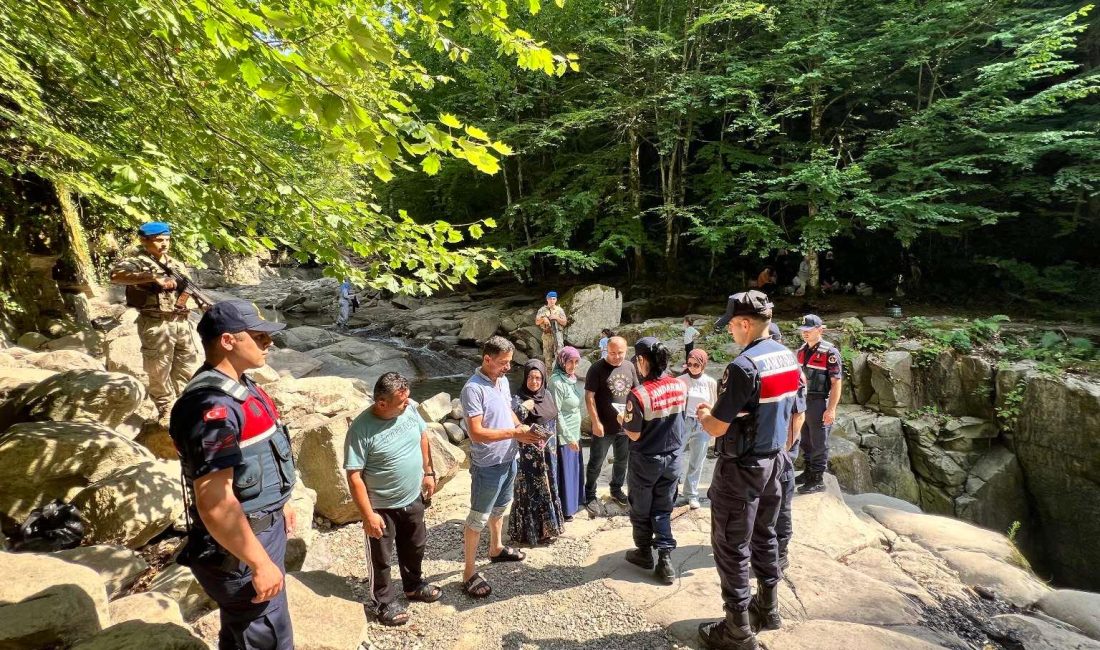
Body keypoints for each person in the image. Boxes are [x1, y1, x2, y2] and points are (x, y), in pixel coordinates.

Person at [168, 300, 296, 650]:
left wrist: (280, 502)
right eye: (259, 337)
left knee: (242, 632)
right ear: (227, 341)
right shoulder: (211, 407)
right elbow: (215, 502)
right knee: (268, 635)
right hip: (241, 547)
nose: (269, 344)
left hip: (258, 529)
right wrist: (259, 563)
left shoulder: (240, 385)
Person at [695, 291, 802, 650]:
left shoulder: (744, 367)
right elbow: (794, 413)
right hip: (775, 463)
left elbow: (716, 427)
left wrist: (703, 414)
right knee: (766, 535)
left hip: (741, 469)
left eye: (731, 327)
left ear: (745, 323)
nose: (729, 333)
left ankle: (737, 630)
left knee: (730, 545)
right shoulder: (788, 357)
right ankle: (768, 607)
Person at [344, 372, 441, 627]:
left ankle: (413, 585)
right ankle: (383, 602)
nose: (408, 404)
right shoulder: (361, 429)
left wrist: (428, 472)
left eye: (407, 398)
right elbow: (354, 476)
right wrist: (368, 515)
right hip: (381, 506)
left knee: (416, 545)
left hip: (412, 496)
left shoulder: (408, 411)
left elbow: (423, 436)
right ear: (381, 403)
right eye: (402, 401)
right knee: (382, 559)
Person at [459, 335, 543, 598]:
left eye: (509, 362)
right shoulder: (473, 389)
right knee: (477, 518)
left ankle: (496, 548)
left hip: (509, 457)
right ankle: (468, 573)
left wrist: (522, 428)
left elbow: (508, 412)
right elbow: (476, 433)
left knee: (499, 508)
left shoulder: (503, 381)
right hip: (488, 464)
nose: (508, 367)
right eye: (503, 362)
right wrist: (514, 434)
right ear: (487, 359)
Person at [110, 221, 202, 423]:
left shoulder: (175, 264)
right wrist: (151, 277)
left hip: (181, 322)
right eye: (159, 240)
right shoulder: (137, 262)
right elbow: (116, 275)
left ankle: (188, 405)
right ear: (144, 241)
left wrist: (199, 305)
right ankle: (166, 409)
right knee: (158, 370)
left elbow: (188, 290)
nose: (164, 244)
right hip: (155, 323)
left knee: (188, 367)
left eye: (167, 239)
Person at [622, 337, 686, 585]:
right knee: (663, 508)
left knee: (641, 507)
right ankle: (666, 561)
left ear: (642, 361)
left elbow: (634, 433)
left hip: (646, 460)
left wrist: (623, 421)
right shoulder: (680, 385)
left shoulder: (638, 394)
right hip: (673, 458)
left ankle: (644, 553)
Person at [510, 359, 566, 544]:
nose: (534, 382)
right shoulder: (518, 399)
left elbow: (553, 419)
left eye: (538, 378)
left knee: (549, 486)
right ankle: (529, 532)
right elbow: (513, 421)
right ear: (525, 377)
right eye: (531, 378)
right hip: (529, 456)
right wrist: (523, 408)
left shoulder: (547, 394)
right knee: (532, 491)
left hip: (549, 453)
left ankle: (550, 529)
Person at [583, 336, 638, 514]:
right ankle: (590, 493)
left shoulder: (629, 366)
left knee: (622, 461)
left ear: (626, 350)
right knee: (596, 462)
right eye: (612, 353)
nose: (616, 357)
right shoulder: (596, 368)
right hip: (603, 427)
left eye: (620, 353)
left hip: (624, 426)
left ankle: (616, 489)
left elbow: (636, 392)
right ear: (606, 350)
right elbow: (589, 397)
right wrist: (596, 422)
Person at [767, 325, 806, 572]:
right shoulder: (767, 366)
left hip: (782, 451)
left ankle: (781, 551)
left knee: (782, 504)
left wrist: (784, 448)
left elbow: (798, 414)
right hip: (768, 449)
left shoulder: (792, 370)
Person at [794, 315, 843, 495]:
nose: (805, 333)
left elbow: (836, 382)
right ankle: (808, 472)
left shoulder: (830, 352)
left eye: (809, 330)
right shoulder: (800, 351)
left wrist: (831, 409)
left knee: (819, 442)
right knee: (805, 439)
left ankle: (817, 479)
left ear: (820, 330)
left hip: (820, 402)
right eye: (803, 330)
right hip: (803, 401)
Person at [676, 349, 718, 509]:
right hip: (684, 421)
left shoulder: (710, 382)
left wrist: (711, 426)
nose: (692, 367)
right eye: (690, 364)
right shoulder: (681, 380)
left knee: (697, 460)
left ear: (703, 365)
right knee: (675, 458)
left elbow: (714, 404)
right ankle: (672, 492)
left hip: (702, 423)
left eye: (696, 365)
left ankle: (691, 494)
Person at [549, 346, 585, 520]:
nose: (573, 365)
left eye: (576, 362)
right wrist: (569, 437)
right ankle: (564, 509)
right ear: (562, 361)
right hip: (564, 435)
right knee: (566, 472)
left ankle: (574, 503)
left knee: (573, 470)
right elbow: (557, 412)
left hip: (574, 431)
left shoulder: (570, 378)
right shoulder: (556, 382)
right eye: (570, 361)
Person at [535, 291, 568, 366]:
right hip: (547, 335)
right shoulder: (542, 310)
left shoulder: (560, 310)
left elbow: (564, 322)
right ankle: (548, 375)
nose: (552, 301)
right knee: (547, 357)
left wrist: (556, 318)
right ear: (547, 299)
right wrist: (543, 319)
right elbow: (537, 322)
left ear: (556, 300)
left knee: (559, 355)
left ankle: (558, 373)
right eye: (550, 299)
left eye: (553, 299)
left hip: (558, 335)